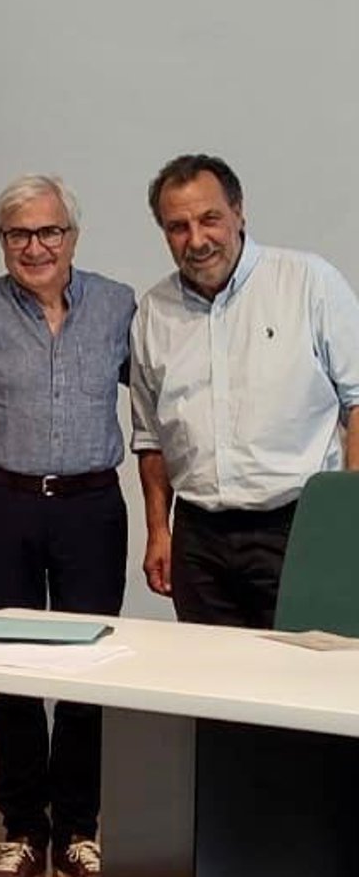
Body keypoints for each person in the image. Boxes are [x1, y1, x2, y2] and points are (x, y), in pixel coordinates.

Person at [0, 175, 134, 877]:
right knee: (14, 669)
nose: (35, 247)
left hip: (90, 507)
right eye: (18, 234)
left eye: (49, 232)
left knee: (87, 671)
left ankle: (78, 832)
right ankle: (22, 832)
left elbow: (162, 401)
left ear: (73, 236)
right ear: (1, 241)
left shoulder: (119, 305)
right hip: (3, 504)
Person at [132, 153, 359, 628]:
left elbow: (357, 399)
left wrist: (348, 519)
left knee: (306, 665)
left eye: (209, 219)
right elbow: (151, 438)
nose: (197, 240)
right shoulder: (154, 312)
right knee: (210, 671)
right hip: (199, 540)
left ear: (238, 212)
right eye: (178, 227)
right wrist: (157, 530)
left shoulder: (307, 282)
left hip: (301, 526)